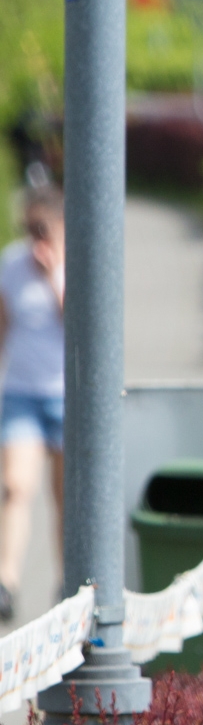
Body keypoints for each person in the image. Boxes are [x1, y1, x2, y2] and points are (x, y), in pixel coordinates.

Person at [0, 187, 65, 621]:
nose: (34, 240)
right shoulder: (10, 264)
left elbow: (85, 328)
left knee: (65, 496)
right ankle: (6, 581)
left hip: (66, 394)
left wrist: (56, 275)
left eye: (42, 230)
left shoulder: (75, 263)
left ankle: (68, 582)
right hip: (21, 391)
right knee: (15, 487)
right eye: (29, 230)